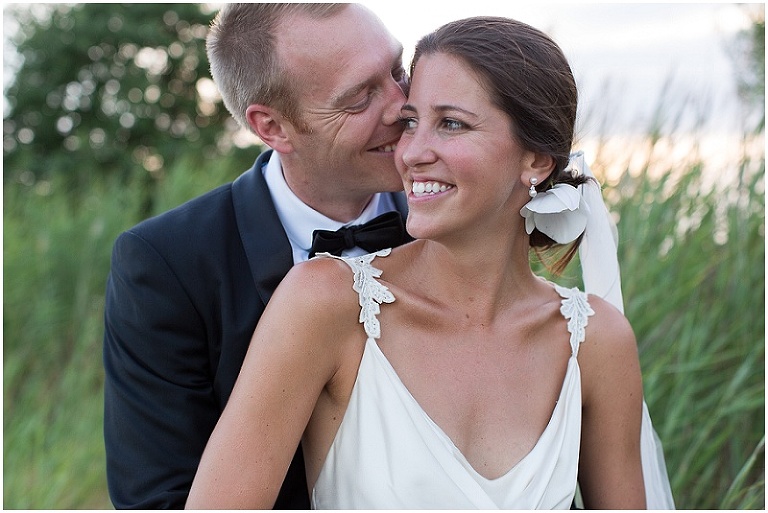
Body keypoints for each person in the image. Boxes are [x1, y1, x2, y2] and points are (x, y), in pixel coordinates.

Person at [185, 15, 675, 510]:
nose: (412, 151)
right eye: (413, 120)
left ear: (536, 161)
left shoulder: (596, 341)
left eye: (452, 123)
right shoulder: (327, 305)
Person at [102, 4, 412, 509]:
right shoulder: (165, 264)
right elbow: (159, 496)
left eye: (398, 70)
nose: (402, 105)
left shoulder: (458, 222)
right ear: (273, 128)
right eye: (360, 97)